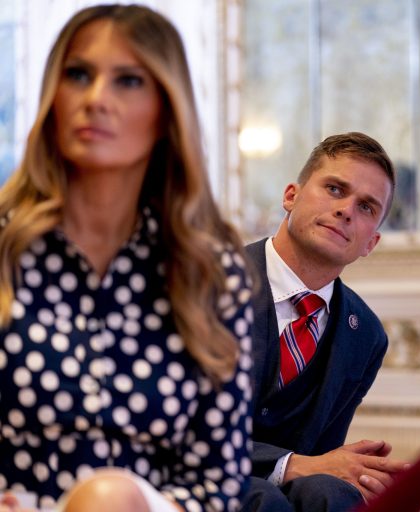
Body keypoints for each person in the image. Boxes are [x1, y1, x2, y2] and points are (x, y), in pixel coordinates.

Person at [0, 5, 254, 511]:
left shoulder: (210, 274)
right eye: (78, 75)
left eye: (128, 81)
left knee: (108, 498)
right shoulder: (7, 250)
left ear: (166, 112)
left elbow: (217, 486)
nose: (96, 99)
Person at [241, 132, 409, 512]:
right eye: (335, 189)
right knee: (262, 499)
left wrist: (360, 477)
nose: (347, 210)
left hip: (288, 495)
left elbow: (322, 461)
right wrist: (289, 465)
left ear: (370, 243)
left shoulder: (366, 335)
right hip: (193, 478)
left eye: (366, 207)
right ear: (291, 196)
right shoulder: (208, 282)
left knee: (333, 494)